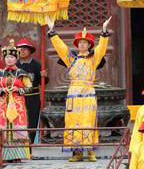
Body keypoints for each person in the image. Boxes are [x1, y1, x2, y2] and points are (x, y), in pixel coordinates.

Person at [46, 15, 112, 162]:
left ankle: (90, 151)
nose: (82, 45)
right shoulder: (71, 59)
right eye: (80, 42)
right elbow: (61, 48)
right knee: (73, 121)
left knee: (88, 120)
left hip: (88, 92)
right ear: (77, 45)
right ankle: (77, 153)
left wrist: (104, 31)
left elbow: (101, 49)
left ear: (89, 45)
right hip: (74, 93)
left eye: (85, 42)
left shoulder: (94, 59)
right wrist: (52, 31)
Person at [0, 39, 32, 162]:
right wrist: (0, 90)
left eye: (12, 57)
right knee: (3, 127)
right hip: (3, 104)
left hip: (17, 104)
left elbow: (29, 87)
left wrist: (18, 89)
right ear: (4, 58)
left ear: (16, 58)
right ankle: (5, 155)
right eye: (7, 57)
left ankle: (17, 155)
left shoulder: (21, 73)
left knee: (17, 128)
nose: (9, 59)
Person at [16, 38, 48, 144]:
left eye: (25, 49)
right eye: (20, 49)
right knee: (20, 120)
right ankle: (20, 143)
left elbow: (43, 82)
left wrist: (44, 76)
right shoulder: (15, 65)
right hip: (18, 97)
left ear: (30, 51)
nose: (22, 51)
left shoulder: (36, 65)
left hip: (33, 97)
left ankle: (31, 143)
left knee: (33, 120)